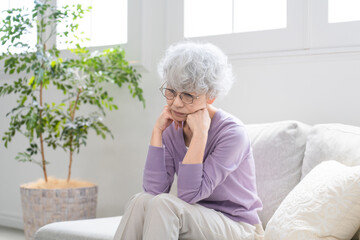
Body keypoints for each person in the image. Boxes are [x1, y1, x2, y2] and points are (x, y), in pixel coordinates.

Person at [113, 41, 264, 240]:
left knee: (165, 204)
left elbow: (189, 195)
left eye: (187, 96)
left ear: (210, 96)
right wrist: (157, 132)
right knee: (140, 200)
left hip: (239, 227)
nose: (176, 103)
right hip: (197, 218)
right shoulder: (172, 126)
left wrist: (200, 134)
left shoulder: (232, 133)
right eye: (171, 92)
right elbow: (153, 190)